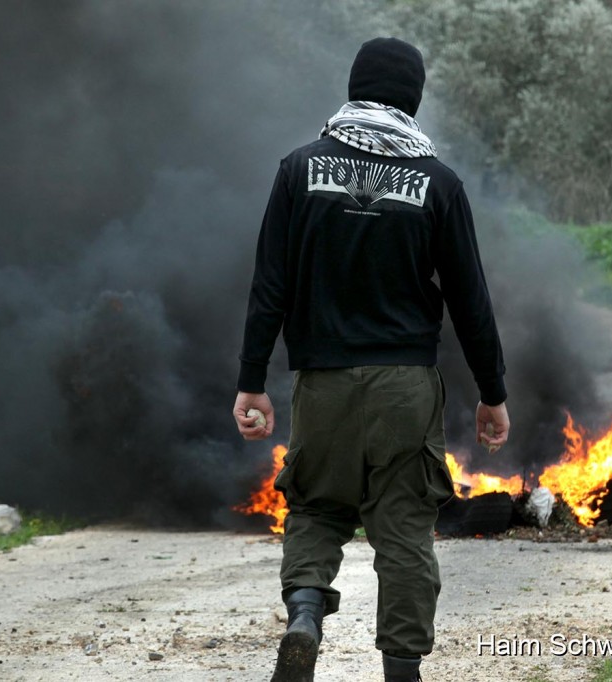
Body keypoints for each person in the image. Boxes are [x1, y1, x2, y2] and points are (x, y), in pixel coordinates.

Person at [232, 37, 510, 682]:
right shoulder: (438, 183)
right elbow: (471, 298)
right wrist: (491, 392)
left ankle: (305, 612)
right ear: (412, 97)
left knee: (315, 507)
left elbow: (269, 285)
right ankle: (402, 669)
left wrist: (252, 382)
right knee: (404, 527)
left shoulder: (298, 169)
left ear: (355, 87)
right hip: (406, 389)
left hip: (321, 382)